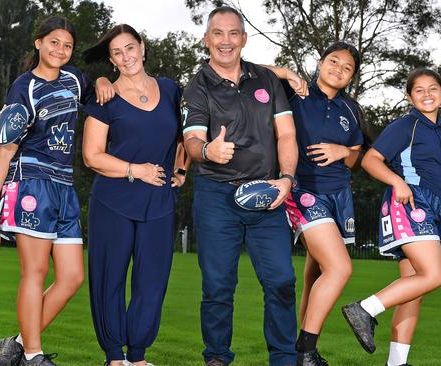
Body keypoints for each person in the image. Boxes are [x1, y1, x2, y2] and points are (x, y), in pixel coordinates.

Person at [341, 68, 441, 366]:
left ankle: (396, 363)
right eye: (419, 90)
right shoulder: (406, 124)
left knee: (414, 290)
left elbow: (435, 172)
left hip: (430, 205)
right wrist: (397, 182)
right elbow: (371, 159)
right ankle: (365, 308)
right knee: (434, 276)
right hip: (410, 202)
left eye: (433, 88)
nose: (427, 94)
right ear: (409, 96)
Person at [0, 16, 109, 366]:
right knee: (36, 272)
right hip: (31, 184)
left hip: (65, 186)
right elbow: (6, 147)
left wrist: (100, 78)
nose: (60, 50)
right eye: (53, 42)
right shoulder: (23, 87)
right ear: (38, 43)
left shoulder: (73, 79)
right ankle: (34, 355)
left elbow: (96, 91)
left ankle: (18, 344)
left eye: (67, 45)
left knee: (71, 277)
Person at [182, 6, 300, 366]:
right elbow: (191, 142)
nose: (226, 41)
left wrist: (287, 179)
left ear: (244, 39)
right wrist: (208, 150)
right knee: (218, 286)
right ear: (206, 39)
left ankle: (283, 359)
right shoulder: (198, 85)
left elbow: (287, 134)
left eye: (233, 33)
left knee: (281, 280)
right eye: (218, 33)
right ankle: (217, 357)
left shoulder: (266, 80)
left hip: (267, 195)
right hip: (217, 196)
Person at [81, 24, 189, 366]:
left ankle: (138, 357)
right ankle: (114, 357)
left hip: (159, 201)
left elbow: (187, 136)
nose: (126, 57)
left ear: (142, 47)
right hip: (113, 200)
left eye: (130, 48)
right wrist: (135, 169)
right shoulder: (104, 96)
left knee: (152, 282)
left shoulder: (171, 90)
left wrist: (182, 169)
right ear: (111, 60)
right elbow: (92, 156)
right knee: (109, 278)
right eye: (117, 52)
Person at [269, 42, 366, 366]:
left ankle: (307, 344)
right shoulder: (294, 92)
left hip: (338, 195)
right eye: (333, 61)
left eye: (347, 67)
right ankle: (305, 353)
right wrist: (284, 72)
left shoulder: (351, 110)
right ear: (320, 61)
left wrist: (344, 152)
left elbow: (357, 157)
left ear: (351, 76)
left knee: (317, 273)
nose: (338, 68)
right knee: (340, 268)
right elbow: (242, 70)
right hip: (302, 190)